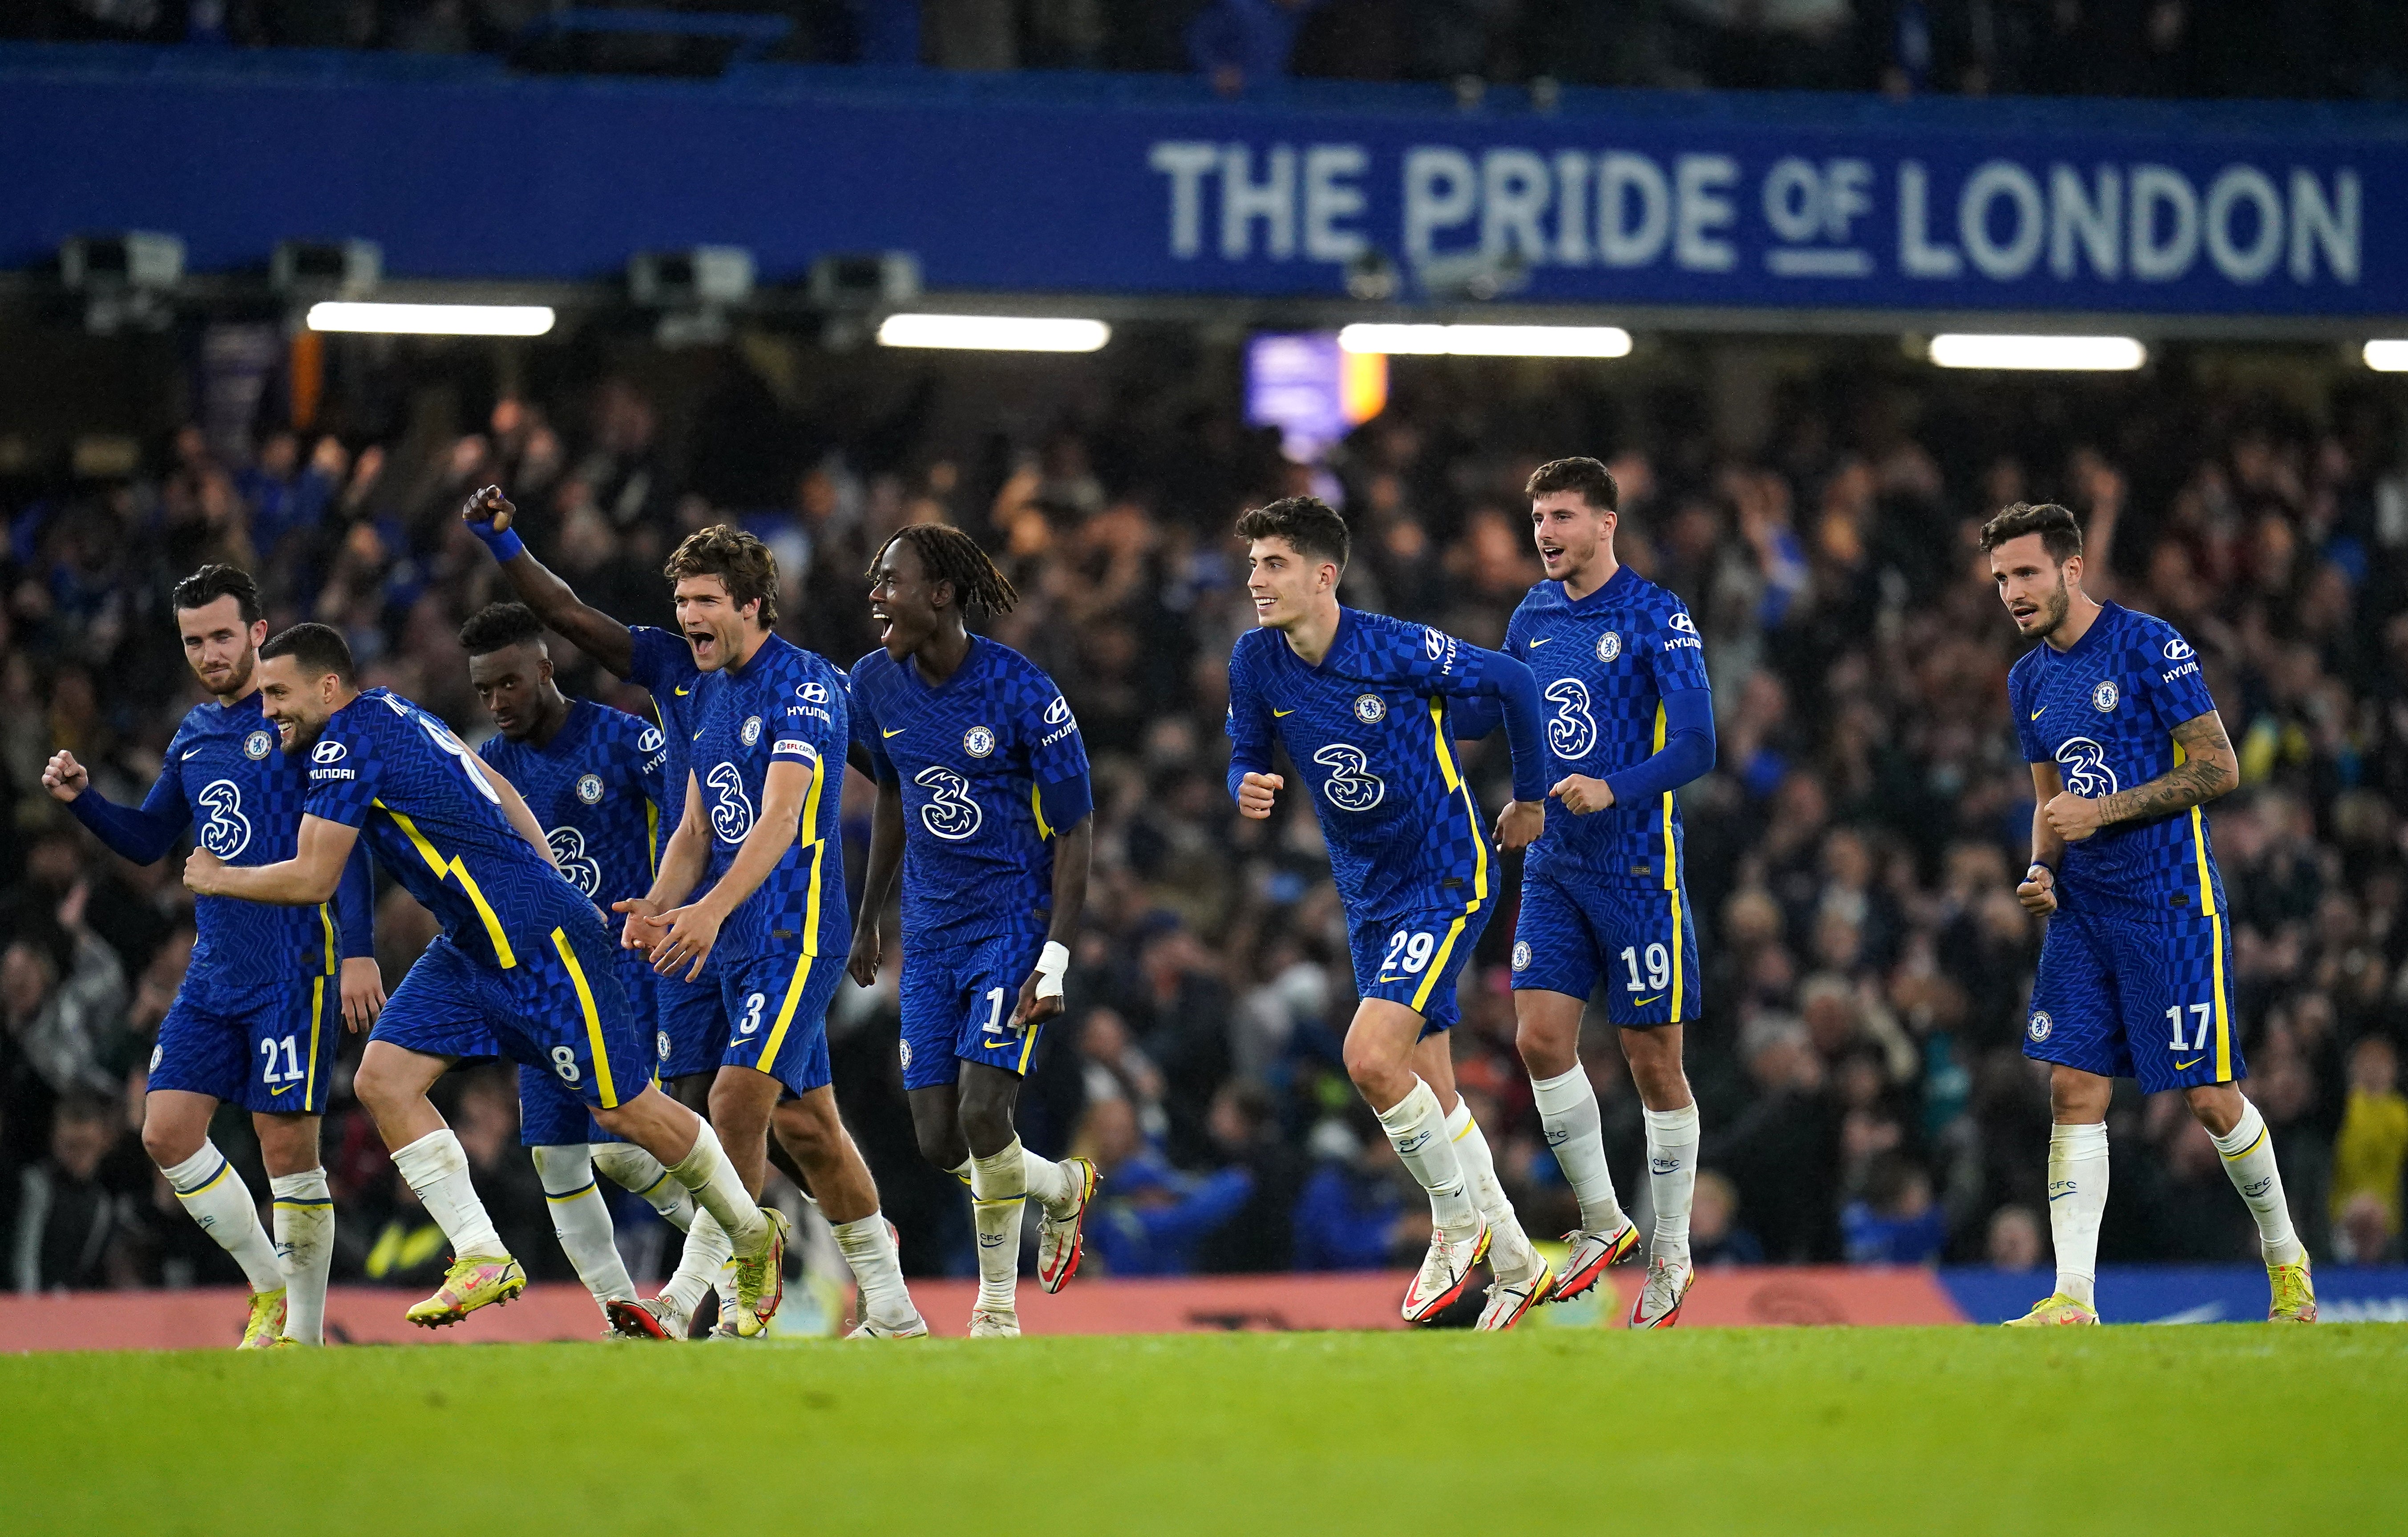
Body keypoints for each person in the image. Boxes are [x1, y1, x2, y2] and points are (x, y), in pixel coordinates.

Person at [182, 621, 789, 1332]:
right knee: (383, 1076)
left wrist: (222, 877)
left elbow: (315, 876)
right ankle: (480, 1252)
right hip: (473, 946)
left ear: (326, 687)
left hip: (538, 944)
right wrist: (543, 865)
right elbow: (495, 783)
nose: (269, 708)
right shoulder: (393, 710)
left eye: (280, 692)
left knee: (625, 1114)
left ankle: (754, 1237)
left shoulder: (346, 744)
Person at [1224, 495, 1555, 1330]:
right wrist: (1246, 784)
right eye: (1255, 564)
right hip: (1367, 895)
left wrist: (1533, 798)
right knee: (1433, 1090)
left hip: (1443, 875)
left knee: (1370, 1059)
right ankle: (1515, 1262)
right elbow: (1246, 750)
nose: (1256, 580)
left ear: (1323, 575)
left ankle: (1454, 1230)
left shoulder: (1394, 648)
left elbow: (1514, 682)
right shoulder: (1256, 661)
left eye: (1275, 565)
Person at [1990, 501, 2313, 1325]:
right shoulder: (2027, 679)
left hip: (2170, 899)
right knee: (2072, 1089)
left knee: (2209, 1099)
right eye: (2001, 579)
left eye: (2026, 573)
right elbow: (2050, 801)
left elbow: (2219, 767)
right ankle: (2073, 1298)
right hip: (2084, 911)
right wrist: (2039, 866)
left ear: (2071, 568)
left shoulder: (2147, 644)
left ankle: (2288, 1262)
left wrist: (2104, 815)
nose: (2013, 592)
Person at [41, 564, 380, 1347]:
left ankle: (304, 1335)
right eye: (194, 641)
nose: (209, 653)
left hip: (296, 965)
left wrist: (360, 952)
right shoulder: (194, 734)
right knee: (164, 1130)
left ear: (259, 633)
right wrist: (86, 801)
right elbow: (155, 841)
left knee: (286, 1148)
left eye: (223, 636)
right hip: (216, 969)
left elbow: (345, 846)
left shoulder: (298, 718)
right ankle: (271, 1290)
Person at [619, 527, 922, 1340]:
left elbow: (781, 820)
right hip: (734, 939)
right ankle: (893, 1310)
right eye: (681, 601)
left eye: (706, 601)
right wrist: (655, 906)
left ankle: (690, 1302)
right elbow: (692, 827)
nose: (688, 617)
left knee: (732, 1099)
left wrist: (710, 910)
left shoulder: (807, 687)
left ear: (752, 605)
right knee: (809, 1129)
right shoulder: (708, 691)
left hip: (795, 932)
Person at [847, 523, 1098, 1338]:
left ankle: (996, 1311)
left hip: (1010, 925)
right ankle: (1060, 1188)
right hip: (928, 933)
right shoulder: (875, 685)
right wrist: (867, 919)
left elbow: (1076, 831)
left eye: (891, 580)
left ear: (943, 594)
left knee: (988, 1114)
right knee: (937, 1140)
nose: (876, 594)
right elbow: (891, 796)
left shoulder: (1024, 692)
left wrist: (1053, 958)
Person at [1485, 456, 1717, 1329]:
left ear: (1606, 524)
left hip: (1637, 868)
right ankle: (1601, 1221)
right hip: (1555, 866)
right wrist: (1530, 795)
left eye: (1562, 517)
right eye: (1539, 517)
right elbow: (1512, 718)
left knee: (1654, 1062)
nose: (1545, 533)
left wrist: (1612, 788)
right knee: (1540, 1039)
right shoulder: (1532, 616)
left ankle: (1672, 1254)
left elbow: (1698, 747)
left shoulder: (1658, 615)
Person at [459, 601, 704, 1323]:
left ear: (546, 667)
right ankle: (621, 1314)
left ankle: (754, 1236)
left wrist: (682, 913)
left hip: (626, 975)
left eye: (508, 683)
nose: (497, 703)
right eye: (483, 691)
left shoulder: (624, 739)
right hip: (542, 984)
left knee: (624, 1150)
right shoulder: (488, 770)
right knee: (557, 1160)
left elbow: (701, 826)